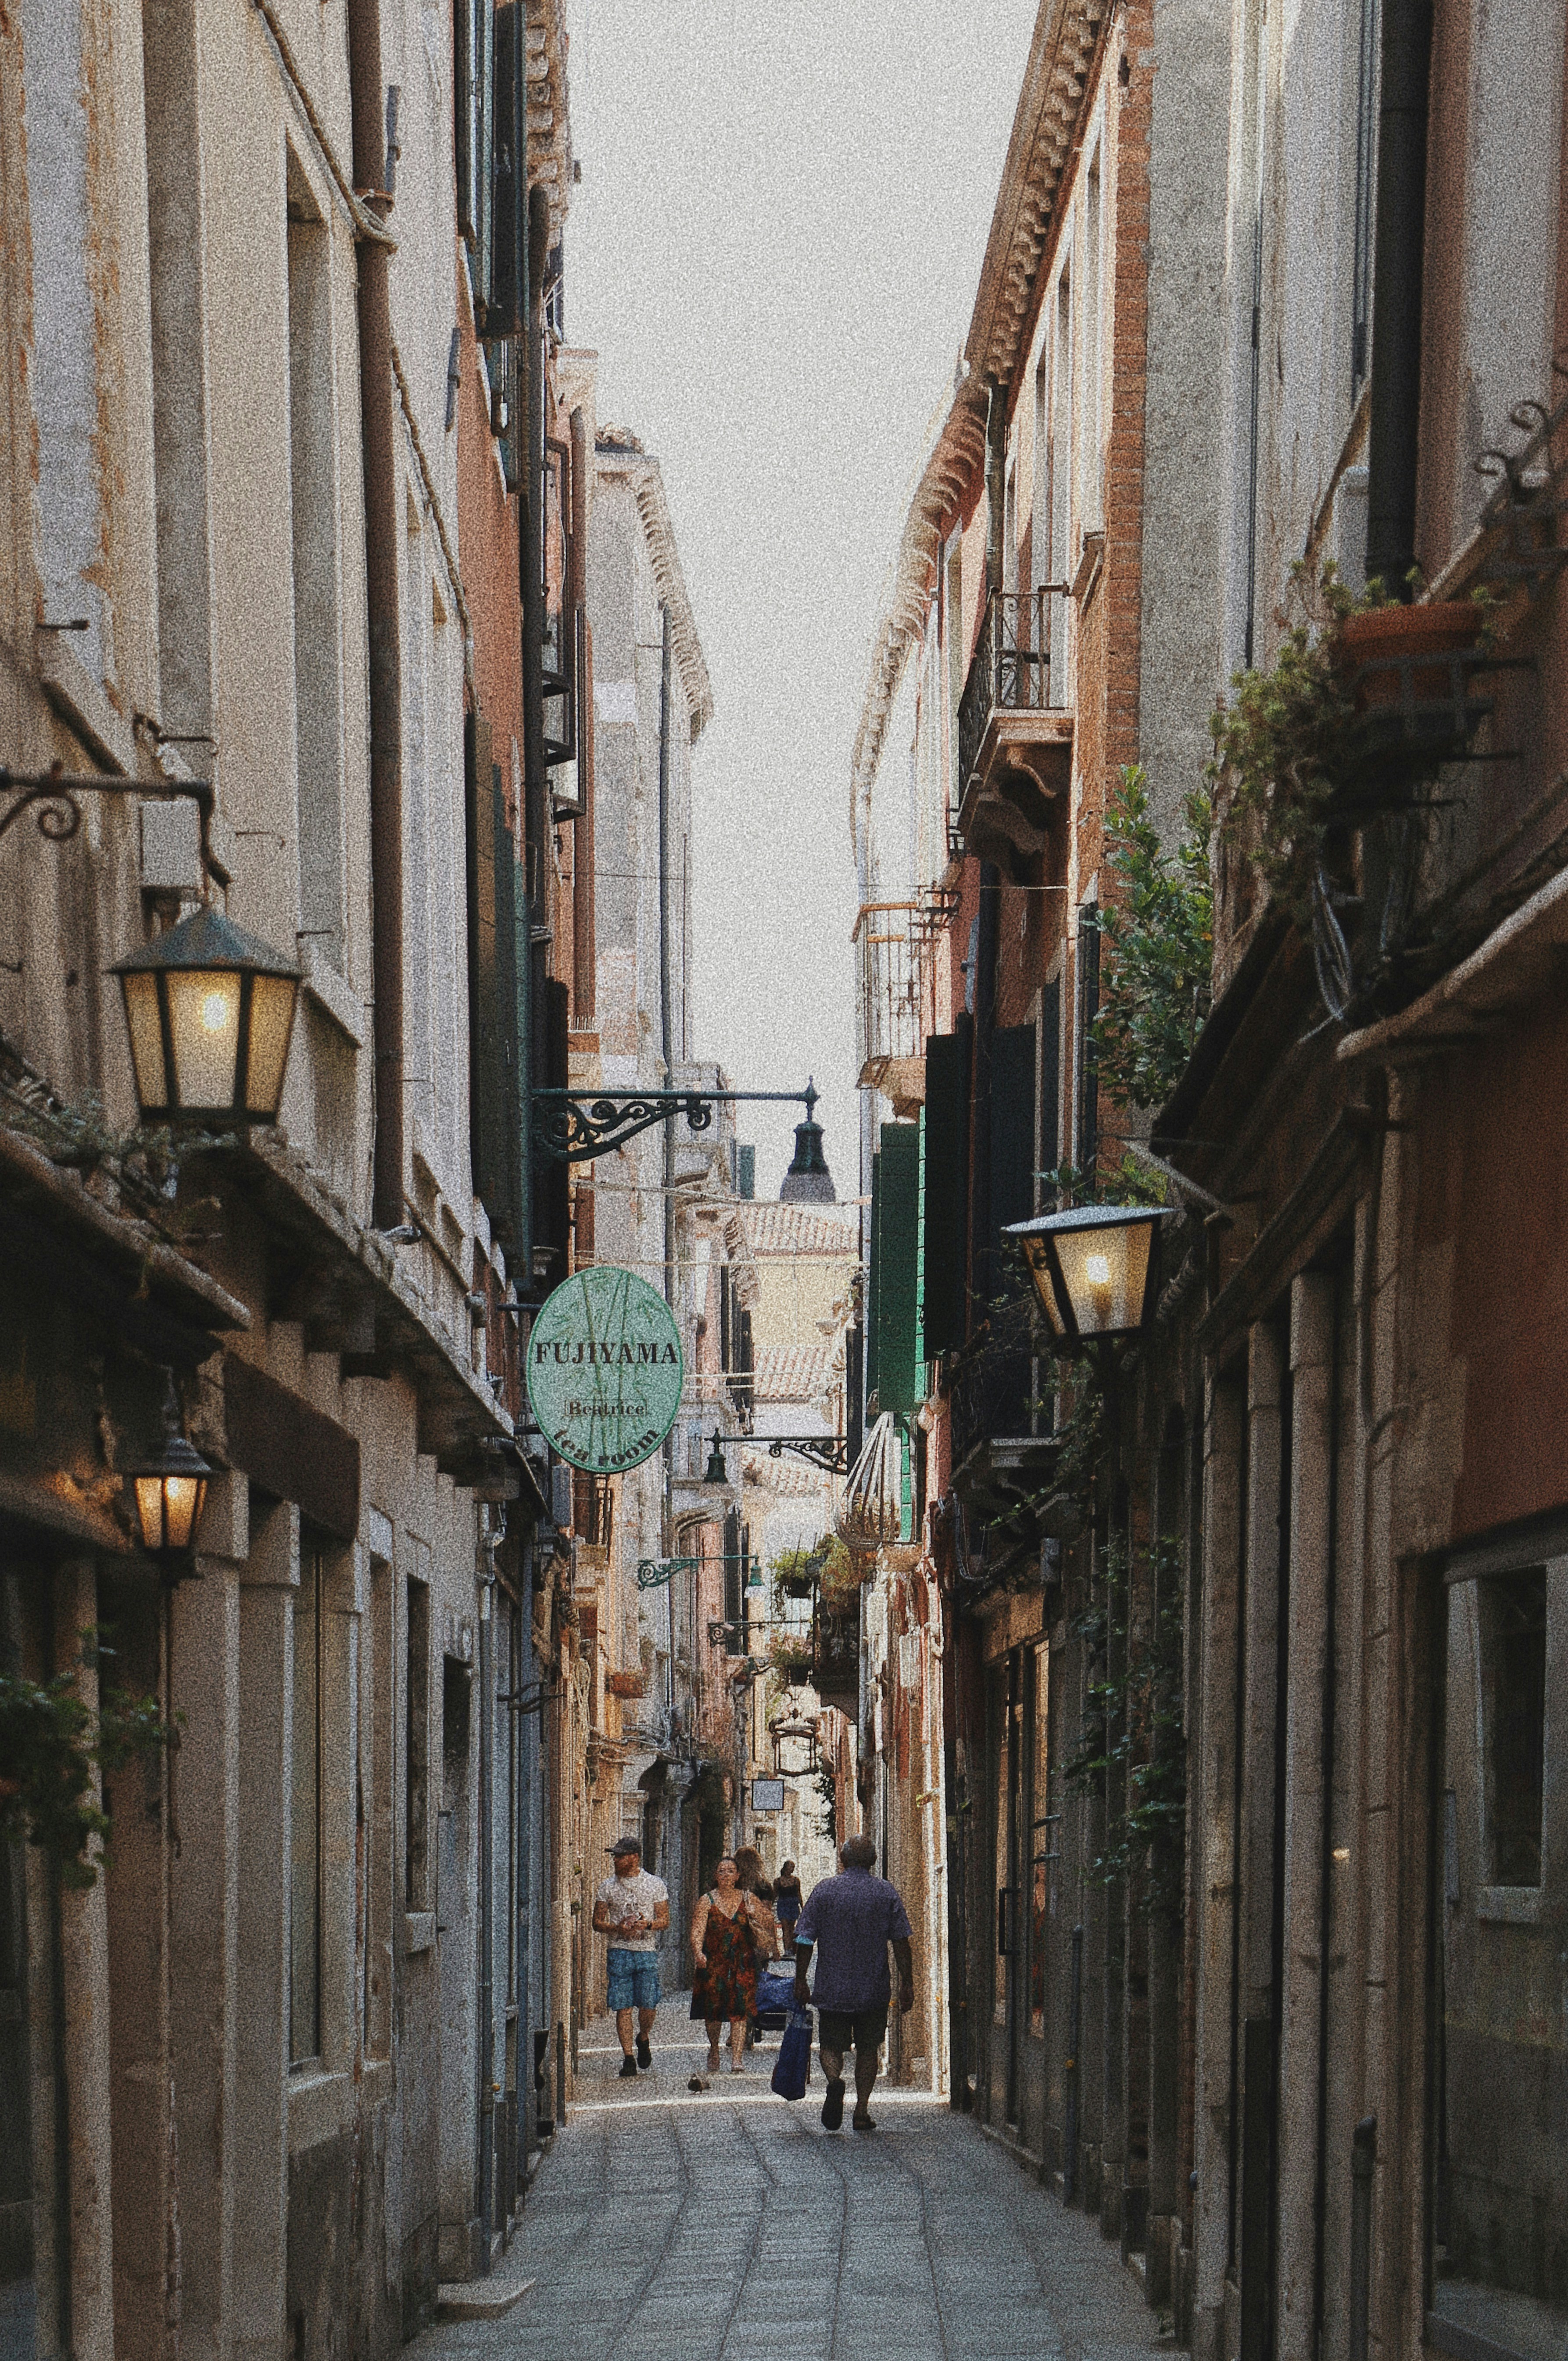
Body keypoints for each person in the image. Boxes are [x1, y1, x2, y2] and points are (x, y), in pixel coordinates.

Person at [792, 1834, 914, 2132]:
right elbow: (901, 1941)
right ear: (873, 1861)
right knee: (869, 2048)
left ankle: (835, 2082)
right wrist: (907, 1982)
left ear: (842, 1859)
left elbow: (804, 1939)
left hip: (832, 1987)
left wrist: (800, 1980)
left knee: (830, 2046)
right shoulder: (886, 1893)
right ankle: (861, 2110)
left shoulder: (824, 1891)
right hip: (872, 1988)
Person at [688, 1855, 775, 2084]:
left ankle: (737, 2058)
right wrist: (698, 1953)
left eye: (730, 1871)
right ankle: (715, 2047)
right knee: (713, 2011)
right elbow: (698, 1930)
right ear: (716, 1876)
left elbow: (769, 1920)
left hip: (742, 1961)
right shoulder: (707, 1901)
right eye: (721, 1871)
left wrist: (757, 1914)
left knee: (740, 2010)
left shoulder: (748, 1898)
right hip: (714, 1962)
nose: (726, 1875)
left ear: (738, 1876)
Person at [592, 1835, 670, 2080]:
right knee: (623, 2007)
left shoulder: (655, 1885)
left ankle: (643, 2037)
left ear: (634, 1858)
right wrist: (617, 1928)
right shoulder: (607, 1887)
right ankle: (628, 2057)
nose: (615, 1860)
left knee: (648, 2004)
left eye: (620, 1856)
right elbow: (597, 1922)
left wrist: (647, 1925)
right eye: (615, 1856)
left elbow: (664, 1920)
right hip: (619, 1951)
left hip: (646, 1951)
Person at [732, 1844, 780, 2047]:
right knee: (757, 1984)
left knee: (737, 1986)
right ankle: (753, 2023)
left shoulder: (731, 1884)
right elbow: (767, 1918)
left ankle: (738, 2029)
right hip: (758, 1944)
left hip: (735, 1942)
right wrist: (775, 1947)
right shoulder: (764, 1886)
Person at [774, 1858, 803, 1943]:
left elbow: (799, 1894)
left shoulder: (796, 1880)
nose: (792, 1869)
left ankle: (791, 1947)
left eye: (793, 1867)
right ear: (786, 1867)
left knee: (791, 1928)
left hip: (793, 1905)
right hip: (783, 1905)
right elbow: (775, 1895)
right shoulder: (778, 1881)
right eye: (791, 1867)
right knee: (785, 1927)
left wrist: (802, 1906)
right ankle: (787, 1948)